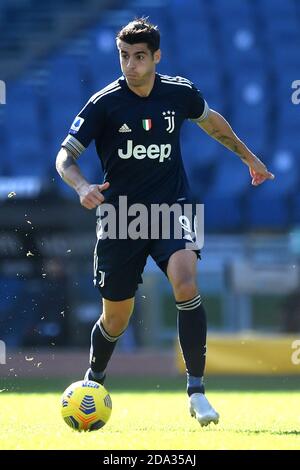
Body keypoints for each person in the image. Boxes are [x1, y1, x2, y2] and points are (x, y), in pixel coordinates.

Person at [56, 18, 274, 426]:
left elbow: (212, 122)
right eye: (124, 56)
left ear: (157, 56)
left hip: (172, 207)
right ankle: (94, 380)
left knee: (186, 281)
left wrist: (249, 157)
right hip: (121, 217)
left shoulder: (180, 92)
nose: (130, 65)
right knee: (116, 318)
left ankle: (196, 391)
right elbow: (64, 158)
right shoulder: (104, 104)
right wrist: (82, 185)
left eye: (139, 57)